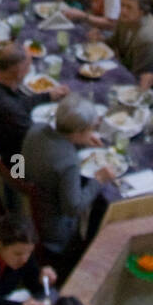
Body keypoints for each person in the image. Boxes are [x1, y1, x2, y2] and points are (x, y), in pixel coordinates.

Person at [21, 95, 117, 274]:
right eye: (91, 129)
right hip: (54, 230)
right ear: (77, 132)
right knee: (99, 214)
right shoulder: (68, 162)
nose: (93, 132)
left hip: (28, 206)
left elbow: (50, 153)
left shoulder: (36, 129)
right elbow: (73, 207)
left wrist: (78, 144)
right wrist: (99, 180)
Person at [0, 42, 69, 165]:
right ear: (19, 72)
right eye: (28, 67)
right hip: (13, 163)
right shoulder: (9, 110)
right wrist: (71, 134)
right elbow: (39, 142)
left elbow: (17, 103)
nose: (29, 70)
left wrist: (47, 96)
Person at [90, 0, 153, 76]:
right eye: (122, 5)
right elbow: (113, 42)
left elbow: (137, 74)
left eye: (129, 7)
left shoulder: (146, 36)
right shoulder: (126, 18)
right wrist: (100, 39)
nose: (123, 11)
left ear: (142, 11)